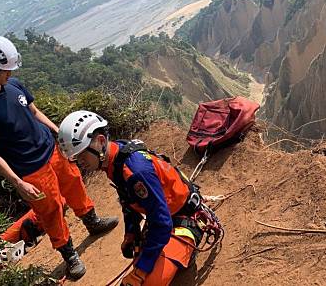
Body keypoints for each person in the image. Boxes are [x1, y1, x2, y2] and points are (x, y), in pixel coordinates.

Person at [0, 36, 119, 279]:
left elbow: (34, 112)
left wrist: (59, 134)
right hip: (29, 168)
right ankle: (69, 254)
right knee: (51, 210)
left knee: (75, 183)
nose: (10, 75)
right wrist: (18, 182)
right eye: (5, 71)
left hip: (52, 150)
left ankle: (92, 220)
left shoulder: (13, 86)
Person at [57, 110, 221, 286]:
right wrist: (131, 231)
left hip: (184, 220)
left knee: (147, 282)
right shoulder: (115, 159)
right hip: (166, 215)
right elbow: (129, 201)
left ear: (100, 142)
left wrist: (140, 272)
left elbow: (162, 223)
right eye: (76, 157)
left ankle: (183, 251)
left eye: (82, 154)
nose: (80, 162)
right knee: (137, 258)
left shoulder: (134, 170)